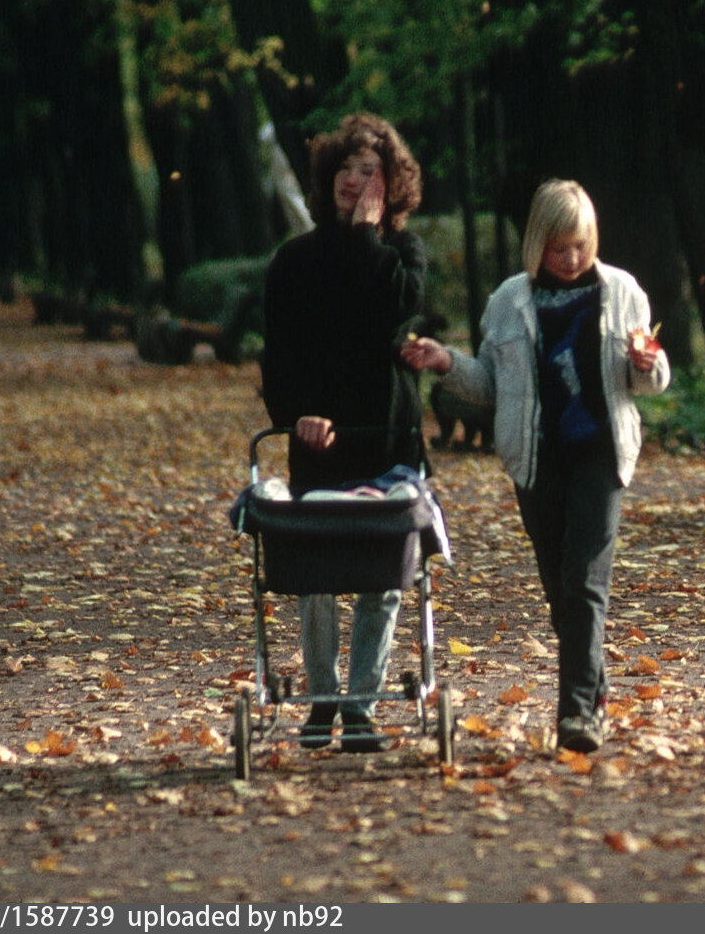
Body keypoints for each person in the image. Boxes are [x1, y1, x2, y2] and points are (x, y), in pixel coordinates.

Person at [402, 180, 668, 754]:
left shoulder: (622, 292)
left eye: (581, 245)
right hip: (537, 461)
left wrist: (647, 362)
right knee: (559, 593)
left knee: (585, 586)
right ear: (536, 244)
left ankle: (576, 715)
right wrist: (447, 362)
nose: (571, 259)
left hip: (601, 455)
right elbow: (494, 389)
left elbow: (647, 378)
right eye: (559, 247)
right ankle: (592, 689)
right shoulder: (508, 302)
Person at [261, 112, 427, 752]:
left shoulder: (404, 254)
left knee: (383, 574)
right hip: (319, 444)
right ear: (327, 175)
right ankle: (321, 697)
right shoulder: (294, 260)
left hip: (386, 440)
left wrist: (365, 237)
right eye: (347, 167)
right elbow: (279, 356)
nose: (355, 180)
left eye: (371, 171)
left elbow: (392, 305)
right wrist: (295, 415)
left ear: (392, 187)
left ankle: (361, 704)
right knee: (317, 575)